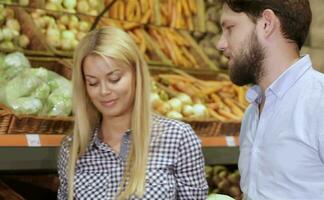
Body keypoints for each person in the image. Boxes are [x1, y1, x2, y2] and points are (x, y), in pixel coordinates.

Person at [57, 26, 208, 200]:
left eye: (114, 79)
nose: (104, 91)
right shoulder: (72, 148)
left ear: (136, 74)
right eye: (93, 83)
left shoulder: (178, 138)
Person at [217, 0, 324, 199]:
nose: (220, 44)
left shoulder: (319, 102)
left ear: (266, 24)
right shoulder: (253, 112)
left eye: (230, 28)